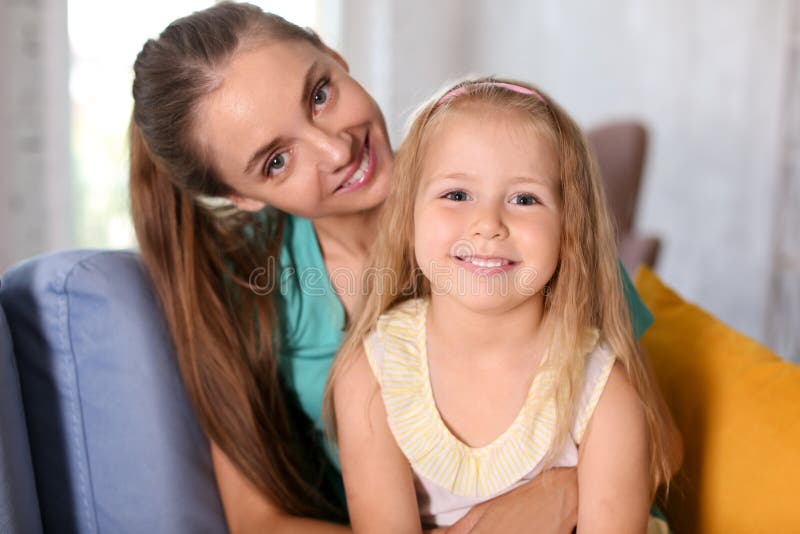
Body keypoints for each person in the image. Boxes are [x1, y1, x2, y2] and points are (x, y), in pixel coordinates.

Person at [128, 3, 680, 532]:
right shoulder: (255, 296)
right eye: (277, 160)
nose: (334, 148)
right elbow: (259, 524)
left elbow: (661, 441)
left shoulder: (521, 219)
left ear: (335, 57)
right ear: (241, 196)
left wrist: (559, 494)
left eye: (320, 95)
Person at [326, 79, 673, 532]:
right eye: (457, 194)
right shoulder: (371, 373)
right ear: (407, 215)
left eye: (524, 199)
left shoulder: (602, 390)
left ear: (570, 229)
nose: (488, 224)